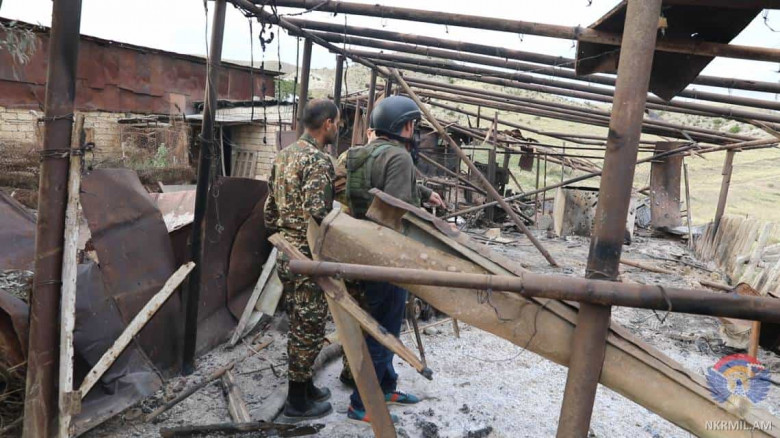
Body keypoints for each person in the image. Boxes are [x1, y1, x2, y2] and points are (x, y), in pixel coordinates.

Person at [342, 96, 445, 424]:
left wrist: (424, 192)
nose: (414, 130)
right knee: (382, 330)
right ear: (404, 125)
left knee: (384, 323)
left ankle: (386, 387)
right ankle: (362, 404)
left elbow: (379, 187)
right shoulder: (399, 156)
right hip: (388, 256)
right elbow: (400, 211)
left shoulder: (361, 153)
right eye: (412, 124)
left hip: (361, 248)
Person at [264, 99, 340, 421]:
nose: (338, 127)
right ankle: (297, 402)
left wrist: (283, 234)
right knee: (309, 326)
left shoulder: (284, 155)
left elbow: (269, 209)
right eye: (337, 122)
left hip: (286, 253)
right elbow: (318, 214)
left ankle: (305, 385)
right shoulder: (318, 160)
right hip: (306, 256)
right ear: (327, 124)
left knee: (300, 320)